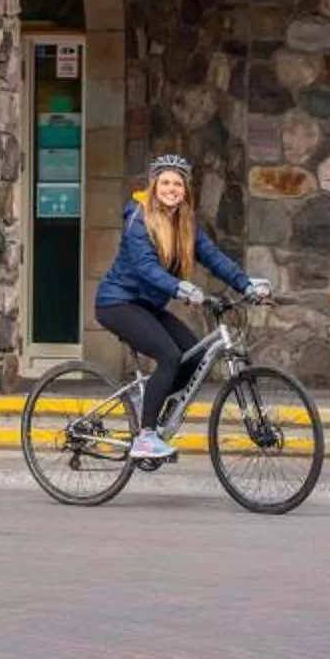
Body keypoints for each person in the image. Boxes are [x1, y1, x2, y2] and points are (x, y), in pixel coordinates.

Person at [94, 153, 265, 460]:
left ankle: (155, 414)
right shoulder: (139, 218)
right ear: (154, 185)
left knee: (195, 356)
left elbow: (213, 257)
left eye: (178, 184)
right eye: (166, 182)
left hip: (147, 306)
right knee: (169, 355)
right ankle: (146, 437)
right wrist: (179, 287)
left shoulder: (186, 224)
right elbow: (147, 268)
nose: (171, 188)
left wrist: (246, 284)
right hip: (117, 303)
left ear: (186, 190)